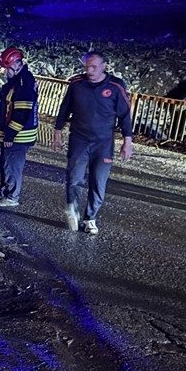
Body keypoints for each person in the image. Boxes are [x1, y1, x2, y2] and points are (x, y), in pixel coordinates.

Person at [52, 51, 134, 234]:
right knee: (74, 177)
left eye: (94, 67)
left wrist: (127, 142)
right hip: (79, 140)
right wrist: (57, 132)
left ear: (104, 66)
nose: (89, 70)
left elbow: (125, 116)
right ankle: (72, 208)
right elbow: (65, 108)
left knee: (98, 182)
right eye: (87, 66)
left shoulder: (115, 86)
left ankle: (90, 218)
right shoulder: (77, 84)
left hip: (103, 144)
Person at [0, 47, 39, 208]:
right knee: (6, 163)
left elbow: (22, 113)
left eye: (7, 68)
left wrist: (10, 135)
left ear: (17, 64)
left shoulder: (23, 83)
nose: (5, 71)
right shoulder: (17, 81)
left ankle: (12, 196)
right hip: (14, 134)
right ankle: (4, 189)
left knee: (13, 165)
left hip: (18, 135)